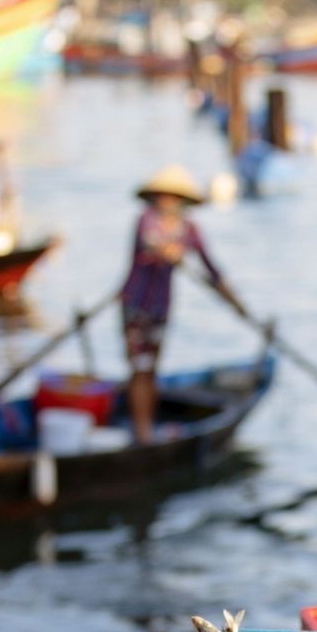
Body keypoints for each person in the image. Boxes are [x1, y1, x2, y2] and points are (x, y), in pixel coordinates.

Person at [120, 165, 245, 444]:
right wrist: (169, 251)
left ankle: (146, 428)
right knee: (140, 367)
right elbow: (152, 243)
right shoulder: (146, 220)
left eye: (173, 197)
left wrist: (236, 302)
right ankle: (142, 434)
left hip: (161, 308)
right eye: (163, 196)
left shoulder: (190, 230)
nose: (168, 202)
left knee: (151, 368)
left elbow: (212, 270)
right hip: (136, 306)